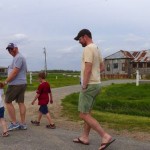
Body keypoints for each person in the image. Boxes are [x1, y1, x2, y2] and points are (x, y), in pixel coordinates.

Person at [73, 29, 115, 150]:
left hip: (90, 85)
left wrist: (84, 85)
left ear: (85, 37)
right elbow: (102, 67)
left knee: (83, 114)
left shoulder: (88, 48)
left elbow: (88, 68)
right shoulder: (96, 48)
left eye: (80, 39)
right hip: (97, 84)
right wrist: (94, 75)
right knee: (88, 112)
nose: (79, 42)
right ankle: (85, 137)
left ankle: (104, 136)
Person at [4, 43, 27, 131]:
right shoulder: (19, 58)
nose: (10, 51)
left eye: (11, 49)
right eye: (9, 50)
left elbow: (14, 72)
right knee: (20, 102)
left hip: (15, 84)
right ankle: (23, 124)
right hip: (22, 83)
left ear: (16, 48)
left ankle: (14, 123)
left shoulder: (18, 57)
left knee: (8, 101)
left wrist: (6, 82)